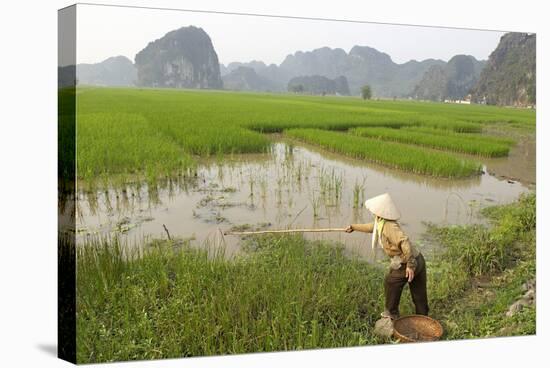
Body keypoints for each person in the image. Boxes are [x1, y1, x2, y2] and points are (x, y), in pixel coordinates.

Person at [345, 193, 428, 320]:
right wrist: (353, 227)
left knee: (391, 282)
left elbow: (404, 241)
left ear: (379, 211)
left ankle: (392, 313)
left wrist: (410, 265)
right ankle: (423, 317)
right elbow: (371, 227)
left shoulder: (389, 226)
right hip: (419, 259)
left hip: (409, 261)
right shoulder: (381, 223)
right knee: (419, 293)